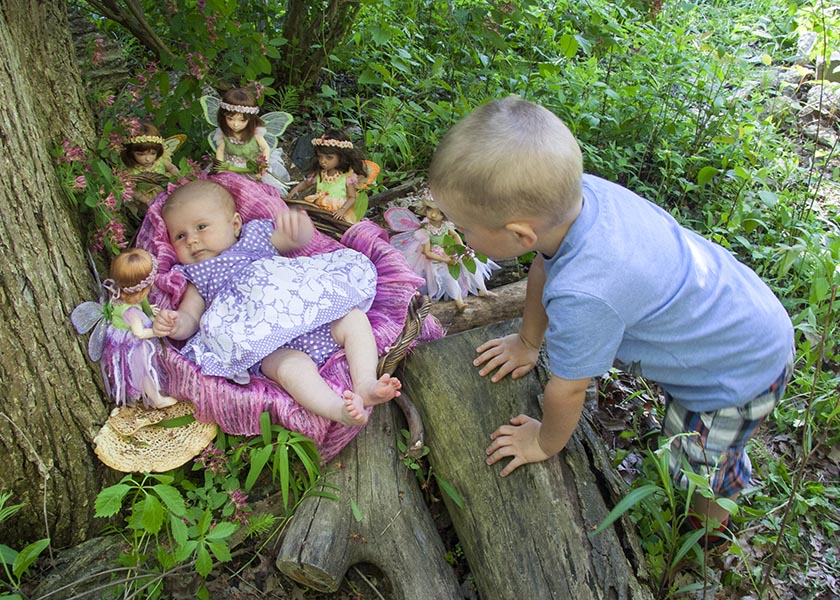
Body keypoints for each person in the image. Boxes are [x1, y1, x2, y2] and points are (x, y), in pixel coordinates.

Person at [427, 96, 794, 545]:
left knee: (700, 458)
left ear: (520, 234)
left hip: (737, 371)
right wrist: (527, 340)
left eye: (463, 227)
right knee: (696, 437)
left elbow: (569, 387)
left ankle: (711, 528)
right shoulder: (581, 199)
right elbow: (545, 263)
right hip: (740, 311)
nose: (458, 234)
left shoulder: (587, 293)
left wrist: (545, 442)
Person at [151, 179, 401, 426]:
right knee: (290, 369)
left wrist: (299, 228)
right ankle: (338, 409)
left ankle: (365, 382)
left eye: (201, 226)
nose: (192, 240)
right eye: (180, 236)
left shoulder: (255, 236)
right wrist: (176, 324)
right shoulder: (198, 276)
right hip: (264, 344)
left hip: (312, 315)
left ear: (235, 224)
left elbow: (295, 241)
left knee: (353, 319)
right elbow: (192, 318)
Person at [72, 248, 178, 409]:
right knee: (144, 373)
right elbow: (139, 333)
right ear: (142, 288)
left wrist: (149, 310)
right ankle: (157, 399)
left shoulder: (117, 295)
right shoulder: (132, 312)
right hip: (133, 347)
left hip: (118, 339)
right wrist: (157, 331)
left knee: (138, 373)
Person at [385, 190, 498, 310]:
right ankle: (459, 300)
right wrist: (445, 260)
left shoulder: (445, 226)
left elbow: (454, 235)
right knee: (447, 274)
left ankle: (482, 289)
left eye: (439, 212)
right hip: (435, 257)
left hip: (448, 249)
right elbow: (427, 252)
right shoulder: (425, 231)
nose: (433, 215)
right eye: (429, 209)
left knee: (471, 262)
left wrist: (461, 248)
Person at [288, 129, 378, 223]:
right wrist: (296, 189)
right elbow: (307, 183)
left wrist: (343, 209)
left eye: (329, 158)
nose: (323, 161)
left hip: (337, 213)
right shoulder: (320, 174)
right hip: (319, 209)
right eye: (320, 156)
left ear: (342, 157)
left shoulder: (346, 177)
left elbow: (352, 197)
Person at [121, 122, 181, 205]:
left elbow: (171, 168)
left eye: (153, 153)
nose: (148, 158)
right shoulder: (133, 171)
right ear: (131, 153)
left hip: (166, 190)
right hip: (148, 198)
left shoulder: (160, 161)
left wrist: (179, 179)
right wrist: (147, 201)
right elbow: (132, 190)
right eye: (141, 154)